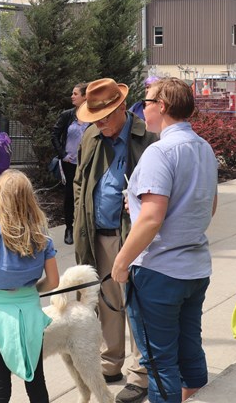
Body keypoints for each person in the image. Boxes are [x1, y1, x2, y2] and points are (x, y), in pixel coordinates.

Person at [111, 77, 218, 403]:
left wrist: (121, 260)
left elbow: (153, 218)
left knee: (160, 363)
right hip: (195, 268)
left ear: (164, 106)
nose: (143, 107)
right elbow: (208, 205)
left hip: (159, 271)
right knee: (189, 348)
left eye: (147, 101)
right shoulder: (204, 147)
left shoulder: (160, 151)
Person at [73, 77, 157, 402]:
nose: (100, 123)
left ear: (121, 107)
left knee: (137, 303)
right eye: (95, 118)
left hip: (133, 236)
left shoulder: (147, 138)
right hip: (99, 234)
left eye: (105, 116)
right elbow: (80, 183)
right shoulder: (91, 137)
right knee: (108, 304)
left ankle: (141, 373)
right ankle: (111, 362)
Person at [0, 170, 59, 403]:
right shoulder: (42, 237)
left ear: (1, 201)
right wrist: (32, 291)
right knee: (36, 383)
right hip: (30, 314)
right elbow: (53, 281)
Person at [51, 82, 89, 245]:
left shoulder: (94, 116)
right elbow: (55, 135)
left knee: (87, 195)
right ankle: (69, 228)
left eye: (75, 94)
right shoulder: (67, 115)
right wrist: (63, 155)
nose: (72, 96)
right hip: (70, 163)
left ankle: (85, 228)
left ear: (85, 96)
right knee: (69, 195)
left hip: (88, 163)